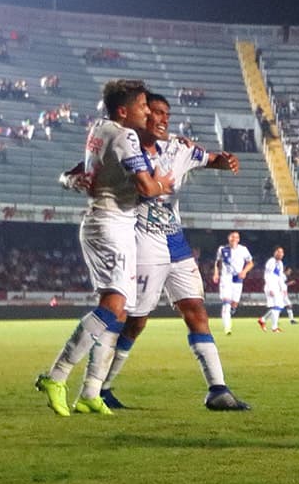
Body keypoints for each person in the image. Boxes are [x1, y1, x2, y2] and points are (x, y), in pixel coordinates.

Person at [94, 92, 249, 411]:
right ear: (141, 115)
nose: (164, 119)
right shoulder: (123, 148)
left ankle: (218, 390)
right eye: (156, 112)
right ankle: (101, 387)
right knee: (135, 321)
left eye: (167, 113)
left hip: (176, 243)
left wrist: (224, 161)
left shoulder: (179, 148)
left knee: (196, 310)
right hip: (142, 244)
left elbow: (210, 159)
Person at [35, 79, 174, 417]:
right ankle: (57, 375)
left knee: (118, 312)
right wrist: (163, 184)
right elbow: (146, 188)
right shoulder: (126, 136)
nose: (148, 111)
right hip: (111, 226)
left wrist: (69, 179)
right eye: (143, 106)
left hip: (111, 225)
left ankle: (90, 392)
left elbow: (82, 170)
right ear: (124, 111)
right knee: (113, 307)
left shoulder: (101, 127)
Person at [213, 232, 254, 334]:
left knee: (234, 303)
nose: (234, 239)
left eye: (236, 237)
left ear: (238, 239)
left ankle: (231, 310)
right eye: (232, 237)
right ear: (229, 238)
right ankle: (227, 327)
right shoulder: (222, 249)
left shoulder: (243, 250)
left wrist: (244, 272)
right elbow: (217, 262)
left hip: (238, 279)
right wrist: (216, 273)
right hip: (226, 278)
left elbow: (250, 263)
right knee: (226, 302)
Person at [259, 246, 288, 333]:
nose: (281, 254)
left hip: (277, 287)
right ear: (275, 252)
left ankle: (263, 320)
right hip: (270, 286)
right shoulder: (271, 262)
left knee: (280, 306)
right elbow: (267, 276)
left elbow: (280, 277)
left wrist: (283, 288)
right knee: (277, 306)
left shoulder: (280, 263)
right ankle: (274, 328)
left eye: (282, 252)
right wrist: (270, 288)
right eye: (279, 252)